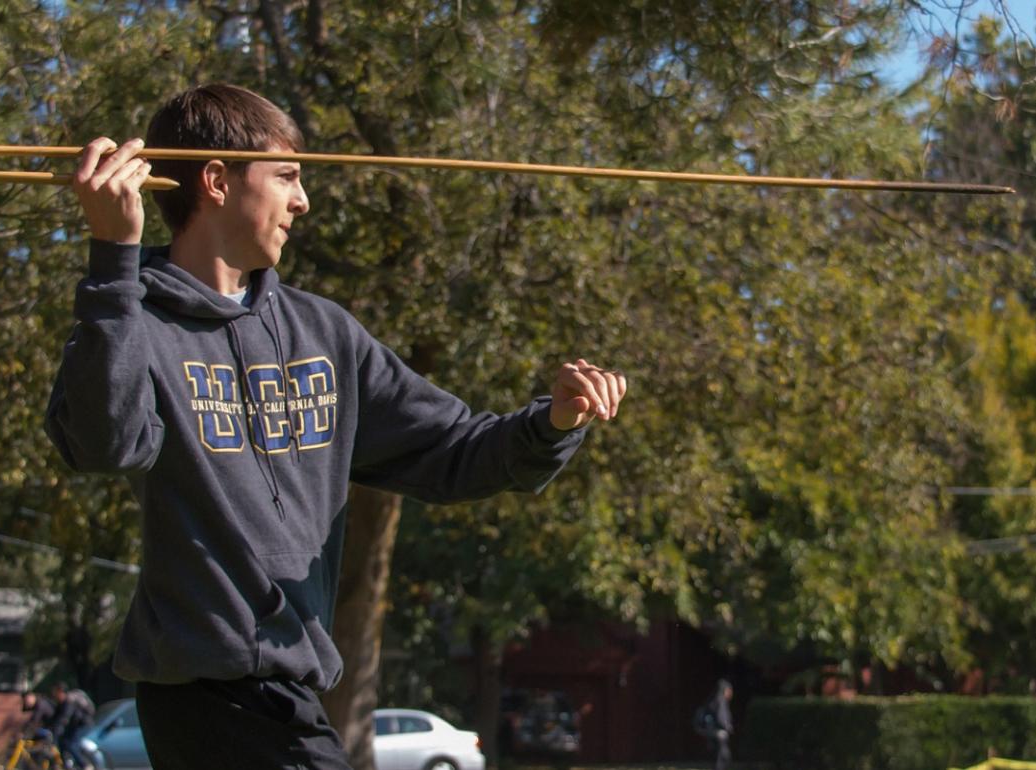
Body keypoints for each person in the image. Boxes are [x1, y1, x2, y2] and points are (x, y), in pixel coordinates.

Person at [44, 83, 628, 769]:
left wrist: (554, 422)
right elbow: (102, 444)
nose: (303, 201)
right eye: (287, 176)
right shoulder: (132, 320)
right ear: (216, 181)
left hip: (288, 686)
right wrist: (113, 257)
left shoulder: (325, 334)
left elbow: (453, 451)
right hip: (205, 689)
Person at [48, 683, 96, 769]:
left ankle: (85, 765)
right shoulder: (61, 703)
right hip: (74, 726)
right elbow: (55, 718)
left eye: (56, 693)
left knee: (71, 744)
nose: (55, 695)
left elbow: (65, 717)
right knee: (62, 743)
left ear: (61, 692)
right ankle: (65, 765)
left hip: (83, 725)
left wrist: (59, 727)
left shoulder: (69, 702)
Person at [694, 678, 735, 770]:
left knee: (721, 758)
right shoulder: (719, 701)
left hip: (714, 735)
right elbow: (721, 718)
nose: (731, 693)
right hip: (717, 735)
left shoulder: (715, 700)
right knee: (722, 758)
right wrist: (726, 727)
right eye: (729, 690)